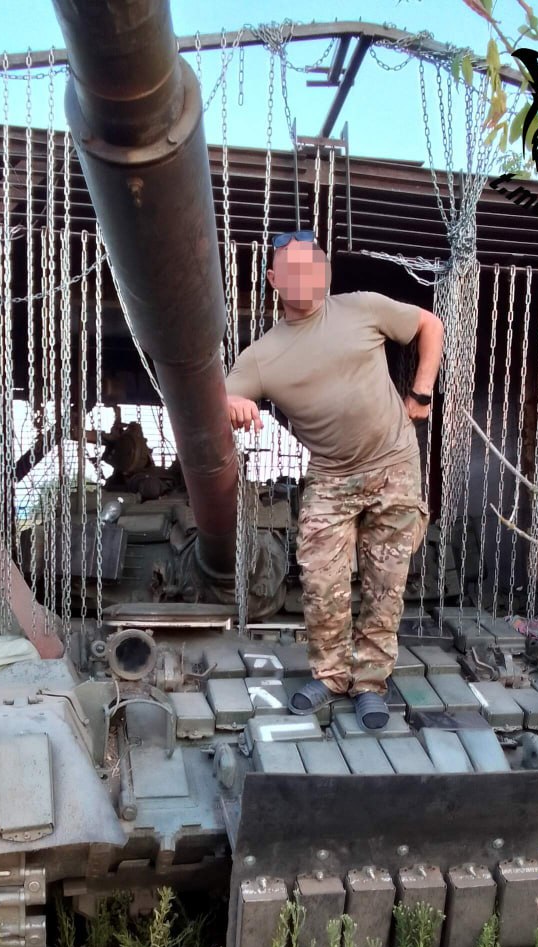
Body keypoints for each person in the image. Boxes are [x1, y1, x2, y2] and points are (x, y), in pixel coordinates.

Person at [225, 230, 444, 731]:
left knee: (386, 583)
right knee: (322, 579)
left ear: (325, 273)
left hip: (393, 464)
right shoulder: (262, 356)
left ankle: (370, 683)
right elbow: (218, 398)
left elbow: (429, 325)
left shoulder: (362, 307)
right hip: (331, 474)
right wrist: (231, 402)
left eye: (314, 266)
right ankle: (330, 676)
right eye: (293, 268)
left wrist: (421, 393)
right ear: (274, 279)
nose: (306, 276)